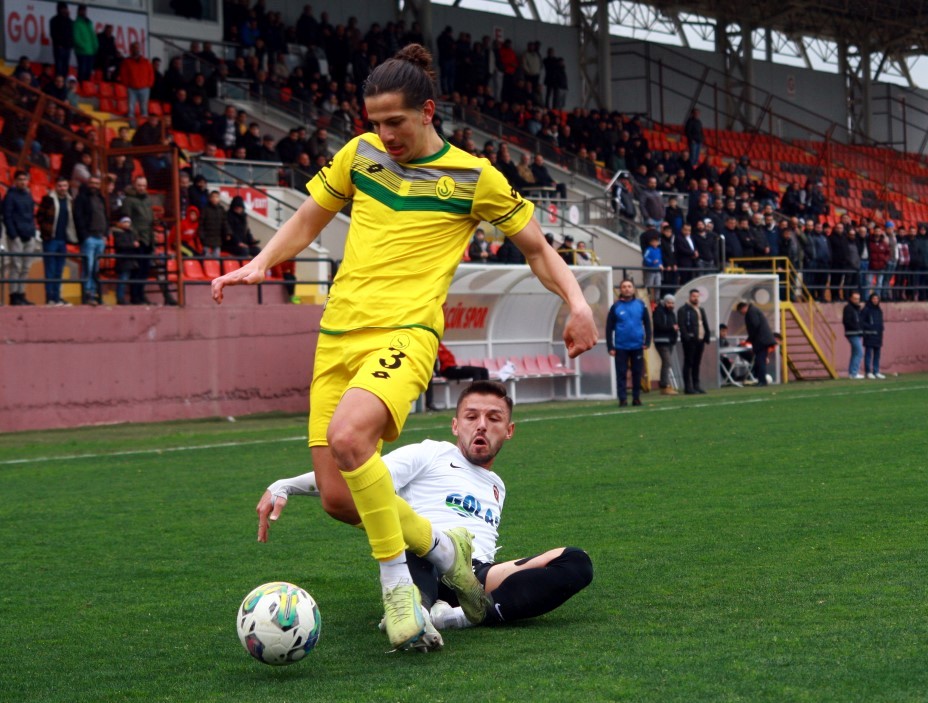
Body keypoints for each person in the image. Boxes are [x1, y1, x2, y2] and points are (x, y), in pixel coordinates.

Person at [210, 44, 598, 653]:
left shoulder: (474, 177)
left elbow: (540, 251)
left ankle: (399, 591)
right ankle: (448, 552)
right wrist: (260, 263)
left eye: (396, 122)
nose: (384, 134)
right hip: (337, 336)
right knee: (341, 499)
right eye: (375, 122)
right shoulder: (358, 156)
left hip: (405, 334)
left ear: (428, 111)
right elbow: (310, 218)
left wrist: (576, 304)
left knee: (350, 438)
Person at [261, 381, 593, 643]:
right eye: (471, 416)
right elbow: (360, 478)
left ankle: (460, 617)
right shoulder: (432, 453)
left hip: (472, 574)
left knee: (577, 563)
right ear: (454, 425)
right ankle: (415, 612)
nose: (481, 426)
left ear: (508, 430)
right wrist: (286, 485)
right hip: (421, 555)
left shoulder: (497, 486)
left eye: (493, 419)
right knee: (418, 543)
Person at [606, 279, 652, 407]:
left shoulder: (641, 305)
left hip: (637, 345)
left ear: (633, 289)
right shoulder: (615, 307)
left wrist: (647, 341)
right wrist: (610, 346)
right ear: (621, 289)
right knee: (621, 373)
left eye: (629, 286)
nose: (627, 289)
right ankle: (622, 398)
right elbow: (609, 328)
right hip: (621, 346)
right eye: (624, 286)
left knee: (637, 373)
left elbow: (648, 324)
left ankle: (636, 398)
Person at [37, 177, 78, 306]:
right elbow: (40, 217)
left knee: (59, 270)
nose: (63, 188)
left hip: (62, 240)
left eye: (65, 186)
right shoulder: (48, 199)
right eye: (60, 186)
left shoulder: (70, 201)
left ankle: (57, 297)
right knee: (50, 270)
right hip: (50, 240)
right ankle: (50, 298)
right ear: (56, 186)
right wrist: (46, 232)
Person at [3, 170, 38, 306]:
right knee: (15, 266)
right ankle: (14, 295)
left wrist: (33, 233)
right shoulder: (10, 196)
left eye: (25, 179)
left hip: (28, 234)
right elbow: (8, 216)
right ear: (15, 181)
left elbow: (30, 215)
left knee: (26, 267)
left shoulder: (28, 195)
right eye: (20, 179)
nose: (23, 182)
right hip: (16, 235)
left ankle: (21, 293)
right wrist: (13, 234)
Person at [73, 176, 108, 306]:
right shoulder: (82, 198)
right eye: (92, 183)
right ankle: (88, 293)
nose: (94, 185)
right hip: (89, 237)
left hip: (100, 237)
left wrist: (106, 233)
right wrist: (84, 235)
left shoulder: (101, 199)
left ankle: (94, 293)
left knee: (96, 268)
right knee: (88, 266)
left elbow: (105, 216)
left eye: (97, 183)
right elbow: (78, 217)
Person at [425, 342, 490, 411]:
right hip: (448, 370)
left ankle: (485, 398)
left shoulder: (440, 345)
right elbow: (435, 362)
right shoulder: (431, 346)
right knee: (476, 372)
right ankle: (475, 399)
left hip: (454, 367)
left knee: (484, 370)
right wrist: (437, 372)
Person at [677, 288, 710, 394]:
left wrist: (707, 336)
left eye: (697, 296)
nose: (696, 298)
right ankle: (688, 387)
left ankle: (696, 385)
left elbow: (704, 323)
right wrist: (686, 337)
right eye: (693, 296)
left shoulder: (701, 309)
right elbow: (681, 325)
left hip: (700, 339)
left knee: (697, 363)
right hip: (690, 340)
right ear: (689, 297)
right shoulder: (683, 310)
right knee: (689, 362)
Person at [736, 301, 776, 387]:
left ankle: (762, 380)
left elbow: (754, 326)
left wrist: (750, 339)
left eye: (740, 311)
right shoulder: (754, 310)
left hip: (761, 340)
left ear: (743, 308)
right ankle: (761, 380)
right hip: (763, 340)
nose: (742, 314)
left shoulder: (751, 312)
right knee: (760, 360)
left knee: (760, 360)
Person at [118, 42, 154, 126]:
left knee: (144, 109)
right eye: (134, 47)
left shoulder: (146, 61)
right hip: (132, 88)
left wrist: (149, 84)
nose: (136, 49)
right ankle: (132, 126)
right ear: (131, 49)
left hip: (144, 88)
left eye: (137, 47)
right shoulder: (127, 61)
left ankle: (144, 126)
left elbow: (151, 73)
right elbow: (123, 74)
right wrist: (127, 84)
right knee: (131, 109)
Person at [652, 294, 678, 395]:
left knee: (667, 363)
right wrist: (672, 328)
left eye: (672, 303)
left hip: (669, 341)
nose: (670, 305)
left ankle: (665, 385)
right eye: (669, 303)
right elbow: (659, 325)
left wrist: (674, 337)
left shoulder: (671, 313)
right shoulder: (659, 312)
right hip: (661, 340)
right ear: (664, 302)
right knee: (667, 362)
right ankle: (664, 385)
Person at [861, 293, 885, 379]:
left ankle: (876, 371)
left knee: (877, 354)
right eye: (874, 298)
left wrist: (881, 328)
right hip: (869, 335)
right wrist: (870, 327)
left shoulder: (879, 310)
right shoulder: (866, 309)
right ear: (871, 299)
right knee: (868, 354)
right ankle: (868, 372)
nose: (875, 300)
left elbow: (880, 322)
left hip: (878, 335)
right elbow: (862, 322)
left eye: (877, 299)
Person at [73, 4, 98, 82]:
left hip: (90, 51)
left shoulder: (89, 23)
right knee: (82, 71)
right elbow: (76, 38)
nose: (83, 12)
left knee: (88, 72)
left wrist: (96, 45)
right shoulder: (76, 23)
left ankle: (86, 87)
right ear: (78, 11)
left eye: (84, 10)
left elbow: (93, 35)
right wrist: (83, 46)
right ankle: (81, 86)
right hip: (82, 52)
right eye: (82, 10)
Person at [842, 291, 865, 379]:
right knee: (859, 352)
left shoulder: (857, 308)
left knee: (855, 353)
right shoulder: (848, 308)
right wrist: (857, 327)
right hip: (852, 333)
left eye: (858, 299)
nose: (856, 300)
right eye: (855, 299)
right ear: (851, 298)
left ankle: (852, 373)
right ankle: (854, 372)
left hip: (857, 333)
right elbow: (846, 321)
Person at [50, 2, 74, 78]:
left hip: (67, 47)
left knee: (65, 66)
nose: (65, 10)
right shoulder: (54, 20)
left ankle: (63, 82)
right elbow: (53, 34)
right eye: (63, 8)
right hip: (59, 48)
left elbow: (72, 33)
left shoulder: (69, 21)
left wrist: (70, 45)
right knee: (59, 67)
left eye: (65, 8)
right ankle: (59, 81)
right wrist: (59, 44)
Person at [642, 235, 663, 303]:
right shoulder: (648, 249)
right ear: (650, 242)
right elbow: (645, 258)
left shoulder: (659, 250)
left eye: (656, 242)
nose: (655, 243)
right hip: (650, 270)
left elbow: (660, 259)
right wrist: (651, 262)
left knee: (658, 285)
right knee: (649, 285)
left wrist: (661, 265)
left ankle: (657, 299)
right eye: (653, 242)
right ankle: (647, 299)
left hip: (657, 270)